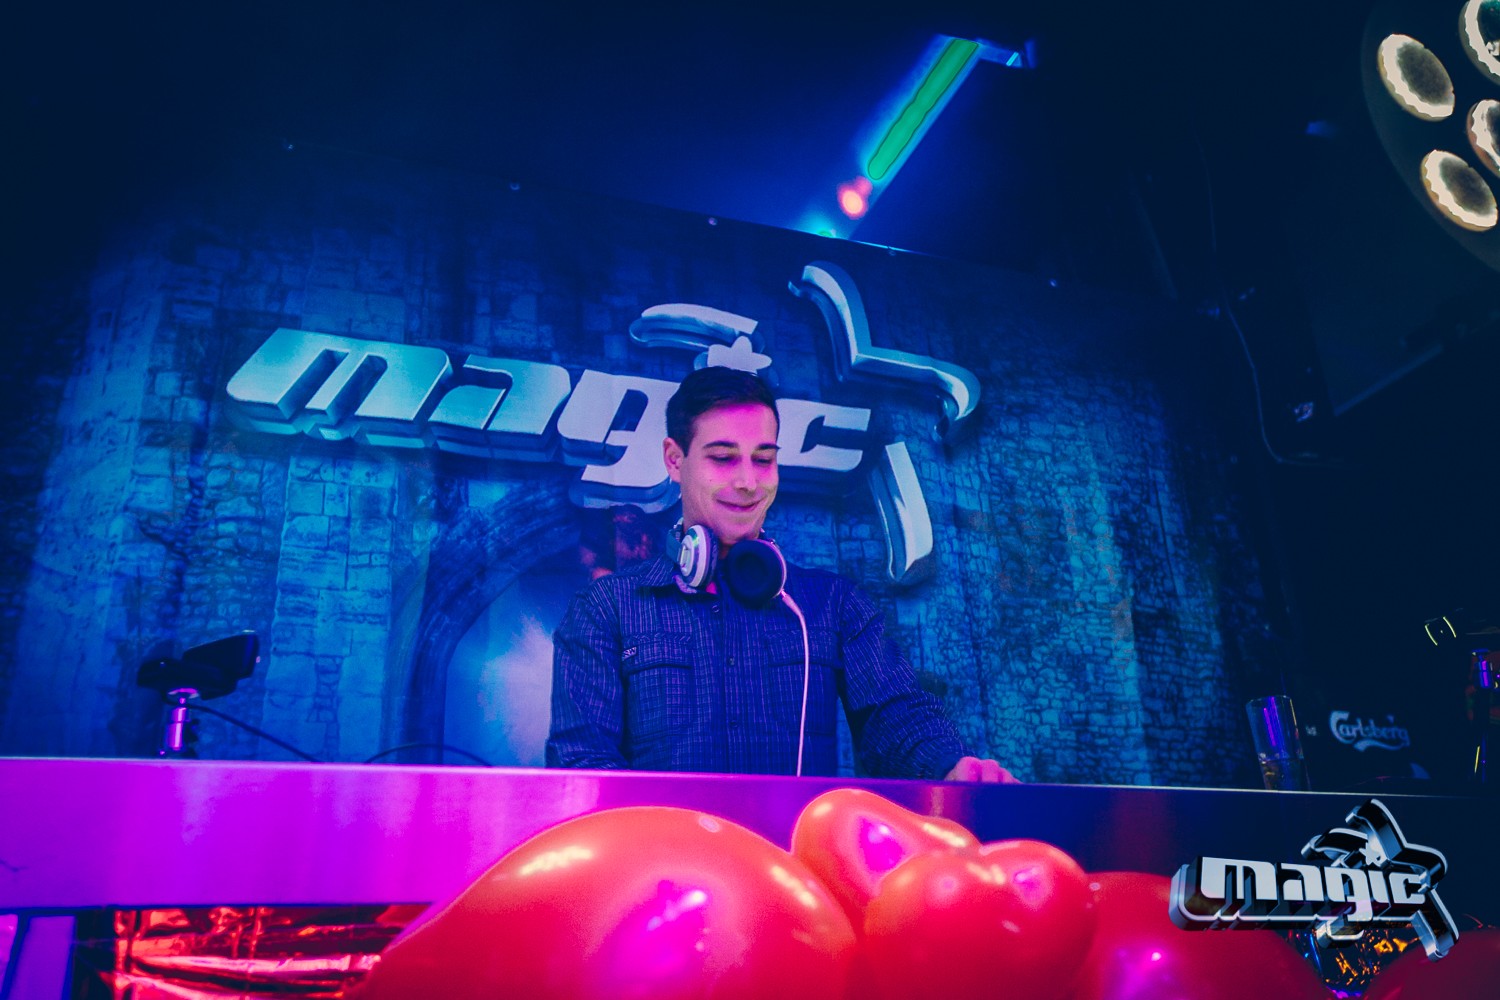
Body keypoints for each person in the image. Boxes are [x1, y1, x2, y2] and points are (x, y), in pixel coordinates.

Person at [545, 366, 1014, 782]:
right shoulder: (607, 607)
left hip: (797, 856)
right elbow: (582, 761)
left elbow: (895, 717)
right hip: (665, 856)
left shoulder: (831, 605)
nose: (748, 481)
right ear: (674, 459)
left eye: (764, 459)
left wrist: (948, 767)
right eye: (723, 457)